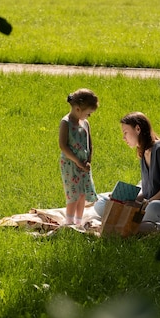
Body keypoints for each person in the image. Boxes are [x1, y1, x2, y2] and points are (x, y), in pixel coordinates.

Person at [59, 88, 99, 226]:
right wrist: (77, 161)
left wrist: (88, 161)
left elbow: (90, 144)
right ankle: (69, 221)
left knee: (82, 192)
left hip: (83, 165)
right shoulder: (66, 123)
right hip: (71, 164)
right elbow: (63, 146)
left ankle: (78, 220)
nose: (89, 116)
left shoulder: (85, 124)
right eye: (88, 113)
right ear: (77, 109)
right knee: (73, 193)